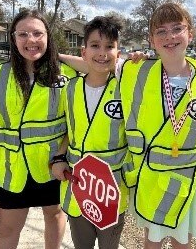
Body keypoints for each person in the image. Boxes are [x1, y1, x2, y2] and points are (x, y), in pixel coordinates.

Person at [119, 2, 196, 248]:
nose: (170, 36)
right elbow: (95, 64)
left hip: (189, 176)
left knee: (183, 241)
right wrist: (50, 56)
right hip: (151, 175)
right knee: (152, 239)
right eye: (161, 31)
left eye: (177, 28)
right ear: (151, 39)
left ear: (190, 34)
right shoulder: (136, 71)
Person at [0, 9, 77, 249]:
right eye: (23, 34)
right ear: (13, 38)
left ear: (48, 37)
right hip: (14, 171)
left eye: (37, 33)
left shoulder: (67, 73)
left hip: (53, 167)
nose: (30, 40)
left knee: (54, 216)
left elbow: (74, 123)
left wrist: (62, 156)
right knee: (8, 230)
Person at [51, 15, 132, 249]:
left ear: (118, 53)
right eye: (95, 46)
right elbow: (69, 129)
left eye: (110, 47)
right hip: (77, 185)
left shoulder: (126, 88)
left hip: (111, 188)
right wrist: (58, 158)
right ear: (83, 51)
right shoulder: (71, 88)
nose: (102, 53)